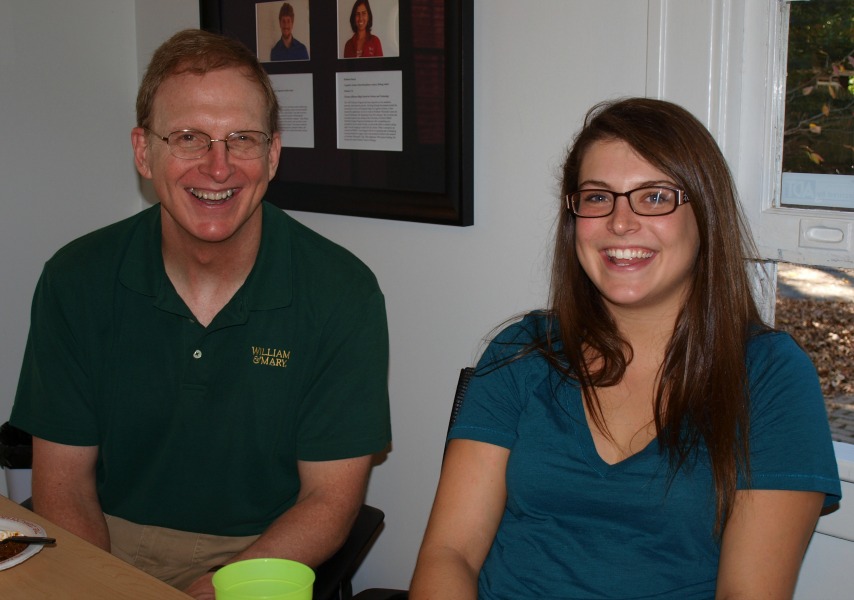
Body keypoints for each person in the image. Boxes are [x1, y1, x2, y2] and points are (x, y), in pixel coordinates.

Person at [10, 28, 390, 600]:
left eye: (242, 139)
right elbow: (63, 485)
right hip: (101, 536)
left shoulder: (342, 292)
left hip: (263, 552)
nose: (219, 168)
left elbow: (329, 501)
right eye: (189, 137)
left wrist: (213, 590)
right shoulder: (75, 278)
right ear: (144, 151)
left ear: (273, 154)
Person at [409, 98, 841, 599]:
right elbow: (449, 554)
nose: (620, 222)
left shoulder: (769, 376)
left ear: (705, 212)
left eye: (655, 197)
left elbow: (749, 592)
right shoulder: (521, 352)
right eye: (597, 198)